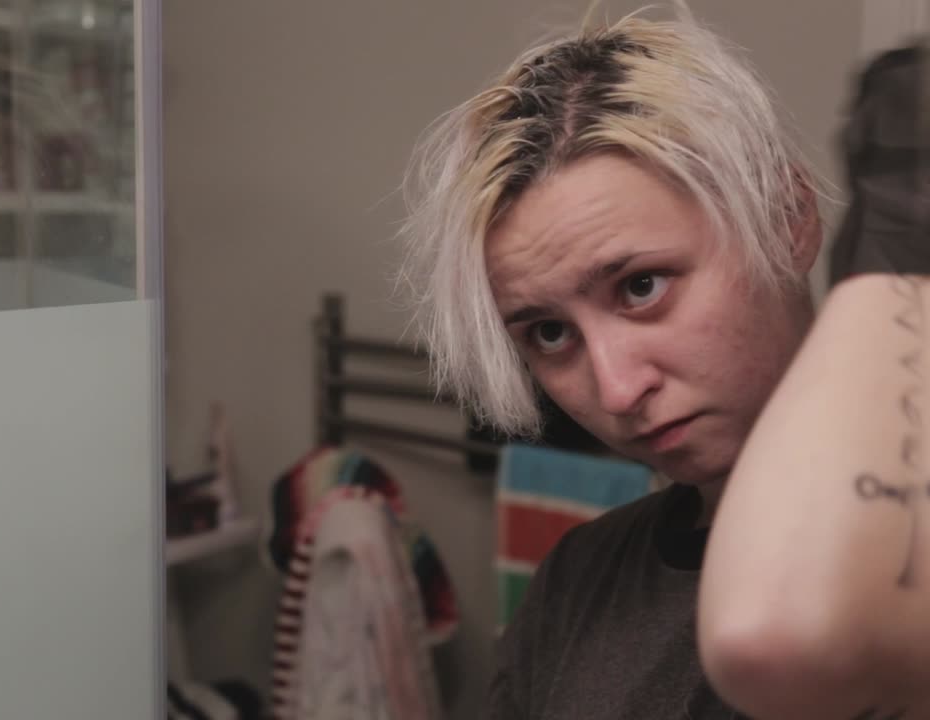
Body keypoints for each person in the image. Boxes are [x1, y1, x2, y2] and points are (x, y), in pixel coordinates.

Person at [397, 4, 929, 719]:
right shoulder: (574, 586)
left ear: (787, 217)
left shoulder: (908, 556)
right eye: (549, 334)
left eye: (641, 287)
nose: (616, 391)